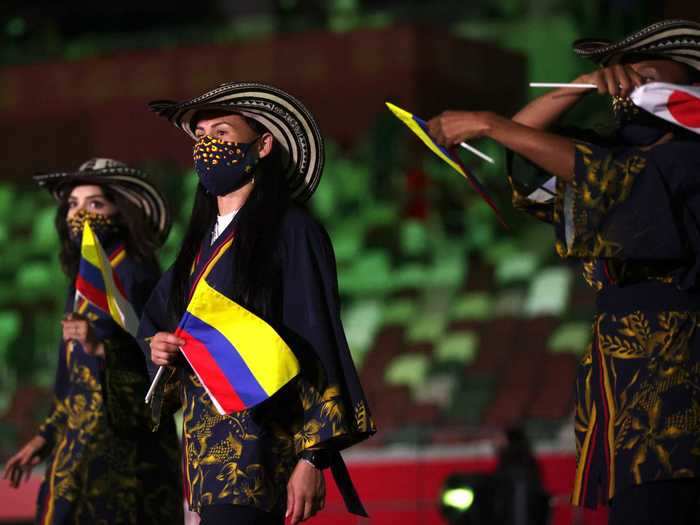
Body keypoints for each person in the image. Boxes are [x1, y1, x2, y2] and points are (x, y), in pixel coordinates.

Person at [426, 19, 700, 525]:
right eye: (613, 65)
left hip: (676, 370)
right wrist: (579, 86)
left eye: (640, 64)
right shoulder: (617, 143)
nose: (620, 75)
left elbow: (611, 180)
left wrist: (487, 122)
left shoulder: (686, 152)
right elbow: (527, 150)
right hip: (619, 370)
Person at [142, 82, 376, 525]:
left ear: (263, 145)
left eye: (223, 133)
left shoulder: (292, 232)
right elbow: (157, 327)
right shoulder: (195, 250)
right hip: (203, 456)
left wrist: (313, 458)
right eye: (202, 135)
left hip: (264, 447)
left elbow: (317, 340)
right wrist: (159, 347)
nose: (209, 145)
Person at [2, 158, 182, 524]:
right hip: (77, 453)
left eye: (95, 204)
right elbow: (71, 382)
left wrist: (104, 348)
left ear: (122, 212)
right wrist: (44, 438)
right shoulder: (82, 281)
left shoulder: (137, 273)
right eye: (73, 204)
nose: (79, 212)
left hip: (129, 464)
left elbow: (166, 381)